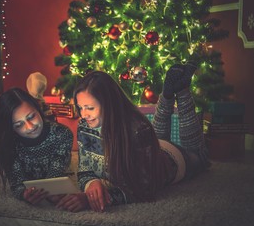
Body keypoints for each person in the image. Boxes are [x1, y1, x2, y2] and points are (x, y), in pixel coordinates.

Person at [62, 64, 210, 212]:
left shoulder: (138, 130)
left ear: (109, 104)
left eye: (90, 108)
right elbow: (84, 170)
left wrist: (91, 200)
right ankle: (167, 94)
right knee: (155, 135)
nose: (83, 115)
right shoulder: (84, 126)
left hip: (174, 160)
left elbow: (143, 189)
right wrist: (91, 183)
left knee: (200, 156)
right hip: (152, 148)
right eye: (80, 107)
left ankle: (182, 89)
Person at [0, 87, 74, 206]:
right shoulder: (9, 142)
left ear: (38, 108)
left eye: (31, 117)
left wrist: (51, 192)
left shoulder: (62, 134)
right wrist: (24, 194)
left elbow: (55, 175)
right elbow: (16, 183)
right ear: (11, 128)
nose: (29, 127)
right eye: (19, 125)